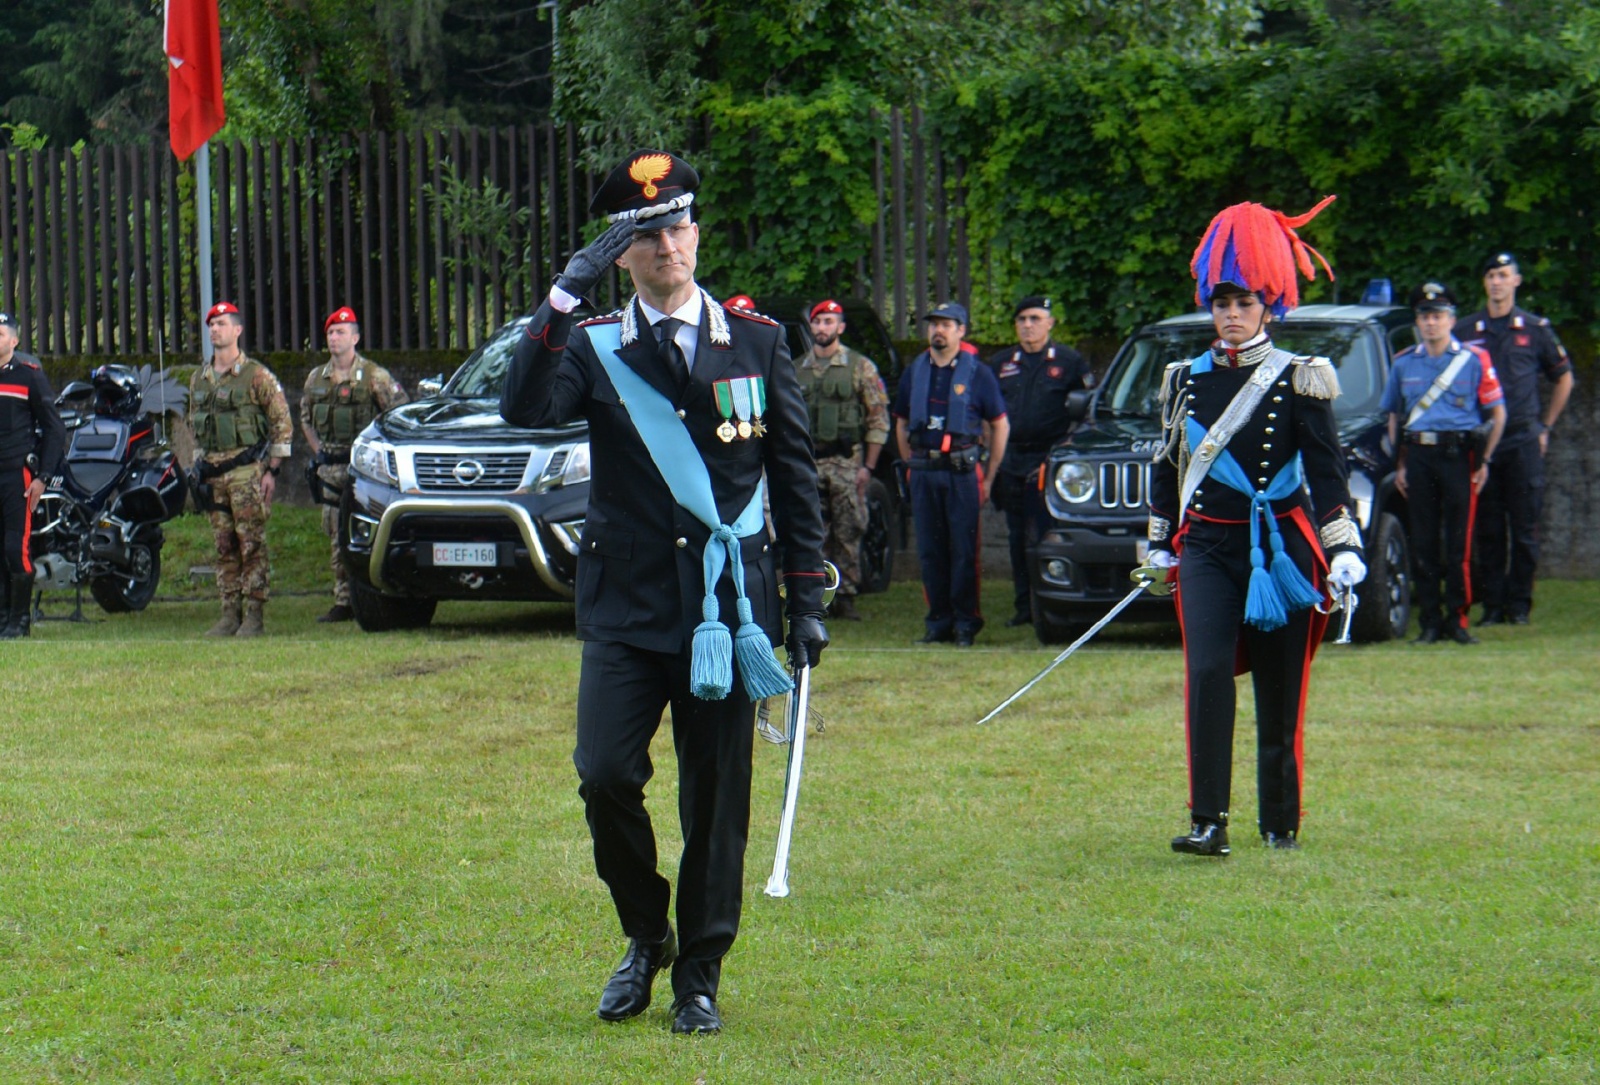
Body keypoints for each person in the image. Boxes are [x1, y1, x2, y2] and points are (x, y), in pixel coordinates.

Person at [498, 150, 828, 1036]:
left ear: (697, 233)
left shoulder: (756, 343)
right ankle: (647, 935)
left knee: (716, 803)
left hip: (732, 610)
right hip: (628, 607)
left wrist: (809, 602)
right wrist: (562, 298)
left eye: (676, 226)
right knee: (604, 774)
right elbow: (523, 410)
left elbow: (794, 480)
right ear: (623, 254)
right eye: (644, 236)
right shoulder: (600, 346)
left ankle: (700, 973)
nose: (665, 246)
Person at [1144, 198, 1366, 855]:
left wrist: (1344, 543)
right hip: (1210, 545)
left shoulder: (1302, 379)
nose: (1232, 316)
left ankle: (1281, 823)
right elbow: (1170, 464)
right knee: (1207, 673)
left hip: (1284, 552)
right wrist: (1159, 540)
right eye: (1222, 303)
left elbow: (1328, 473)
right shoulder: (1184, 380)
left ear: (1269, 304)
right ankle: (1209, 820)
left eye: (1244, 303)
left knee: (1280, 686)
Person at [1454, 252, 1576, 626]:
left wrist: (1545, 426)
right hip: (1485, 441)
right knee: (1488, 529)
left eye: (1503, 275)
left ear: (1516, 281)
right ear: (1484, 282)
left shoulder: (1535, 328)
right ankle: (1492, 605)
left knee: (1524, 528)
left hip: (1523, 439)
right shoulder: (1466, 330)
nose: (1496, 282)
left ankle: (1519, 605)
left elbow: (1564, 377)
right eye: (1491, 275)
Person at [1382, 282, 1505, 645]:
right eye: (1425, 316)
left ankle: (1458, 619)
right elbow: (1395, 418)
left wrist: (1483, 461)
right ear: (1418, 322)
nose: (1431, 323)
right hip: (1419, 458)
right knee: (1423, 542)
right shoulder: (1404, 363)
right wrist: (1400, 464)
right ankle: (1430, 622)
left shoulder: (1473, 360)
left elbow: (1497, 414)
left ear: (1452, 319)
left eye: (1438, 316)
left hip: (1459, 458)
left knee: (1459, 545)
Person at [893, 301, 1009, 647]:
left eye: (947, 324)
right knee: (929, 551)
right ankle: (937, 622)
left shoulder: (978, 373)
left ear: (961, 331)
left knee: (963, 550)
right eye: (934, 324)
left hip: (962, 473)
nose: (938, 330)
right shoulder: (915, 371)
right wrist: (911, 464)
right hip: (925, 473)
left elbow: (999, 425)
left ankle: (965, 623)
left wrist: (988, 476)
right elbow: (900, 423)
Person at [188, 302, 293, 638]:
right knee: (224, 546)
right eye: (211, 325)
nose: (215, 330)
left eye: (221, 324)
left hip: (247, 471)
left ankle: (254, 615)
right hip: (213, 473)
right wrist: (197, 464)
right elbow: (195, 426)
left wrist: (271, 471)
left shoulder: (256, 375)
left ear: (237, 330)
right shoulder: (200, 379)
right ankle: (228, 614)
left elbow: (281, 421)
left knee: (251, 544)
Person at [988, 295, 1094, 627]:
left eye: (1035, 318)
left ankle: (1054, 602)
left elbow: (1089, 411)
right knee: (1017, 536)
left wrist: (1065, 450)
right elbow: (986, 413)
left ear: (1049, 323)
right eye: (1022, 320)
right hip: (1011, 461)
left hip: (1049, 462)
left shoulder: (1069, 361)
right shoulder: (1001, 363)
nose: (1028, 325)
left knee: (1049, 535)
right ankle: (1024, 606)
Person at [300, 306, 408, 623]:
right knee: (335, 533)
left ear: (356, 337)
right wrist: (319, 452)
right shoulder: (315, 379)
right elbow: (305, 418)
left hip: (364, 472)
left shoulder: (374, 376)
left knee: (363, 531)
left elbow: (398, 413)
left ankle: (368, 593)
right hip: (330, 472)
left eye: (341, 332)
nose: (335, 338)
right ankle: (343, 600)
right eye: (331, 332)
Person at [793, 298, 891, 620]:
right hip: (808, 464)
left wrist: (868, 467)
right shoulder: (795, 369)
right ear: (812, 326)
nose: (823, 328)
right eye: (819, 322)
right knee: (812, 533)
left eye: (830, 321)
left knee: (849, 531)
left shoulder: (860, 367)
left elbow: (878, 419)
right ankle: (817, 596)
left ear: (841, 327)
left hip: (847, 464)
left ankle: (846, 595)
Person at [0, 311, 65, 639]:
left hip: (17, 476)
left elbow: (54, 429)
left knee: (15, 548)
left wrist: (42, 476)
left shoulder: (29, 375)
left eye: (0, 334)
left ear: (14, 340)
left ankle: (19, 621)